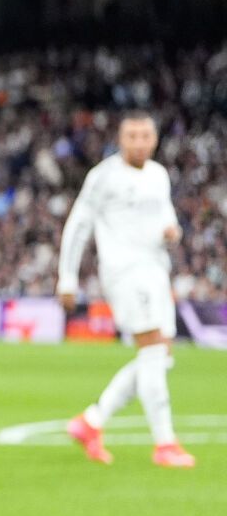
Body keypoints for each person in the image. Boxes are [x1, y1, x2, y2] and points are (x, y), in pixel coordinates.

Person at [60, 114, 195, 468]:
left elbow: (167, 219)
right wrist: (67, 278)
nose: (139, 141)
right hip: (124, 272)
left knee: (159, 356)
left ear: (155, 138)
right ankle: (165, 444)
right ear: (121, 138)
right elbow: (78, 224)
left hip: (155, 271)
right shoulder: (103, 176)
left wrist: (172, 231)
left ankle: (92, 421)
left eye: (145, 135)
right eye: (132, 135)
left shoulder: (158, 175)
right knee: (152, 352)